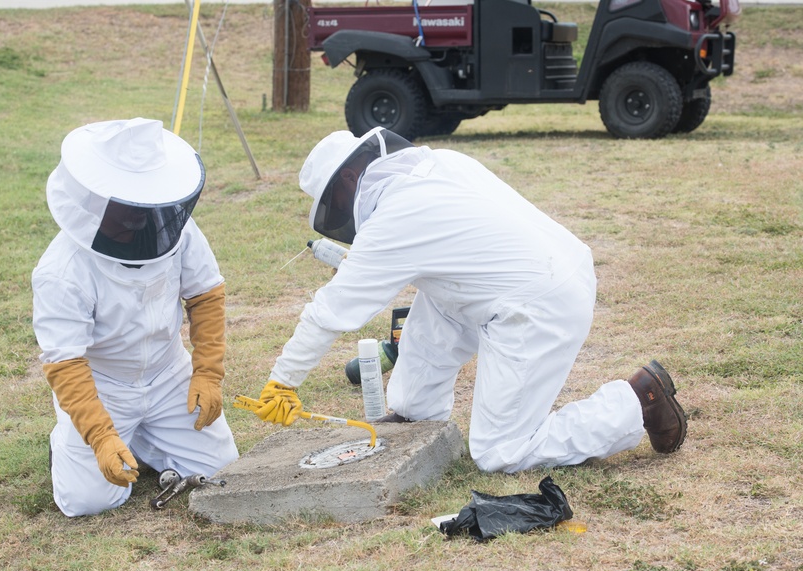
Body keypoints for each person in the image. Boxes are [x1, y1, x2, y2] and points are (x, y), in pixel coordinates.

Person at [250, 127, 687, 473]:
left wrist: (282, 380)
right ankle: (414, 417)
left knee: (500, 451)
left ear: (350, 176)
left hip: (537, 306)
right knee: (437, 301)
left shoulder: (395, 216)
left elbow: (330, 311)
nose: (341, 212)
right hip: (548, 270)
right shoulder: (437, 164)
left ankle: (635, 402)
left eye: (336, 200)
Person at [32, 117, 238, 517]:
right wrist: (101, 434)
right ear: (96, 200)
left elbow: (205, 294)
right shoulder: (61, 270)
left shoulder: (178, 229)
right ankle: (70, 443)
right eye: (128, 207)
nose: (139, 217)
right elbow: (66, 362)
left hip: (168, 371)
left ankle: (144, 438)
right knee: (89, 502)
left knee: (219, 469)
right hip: (102, 384)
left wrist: (208, 372)